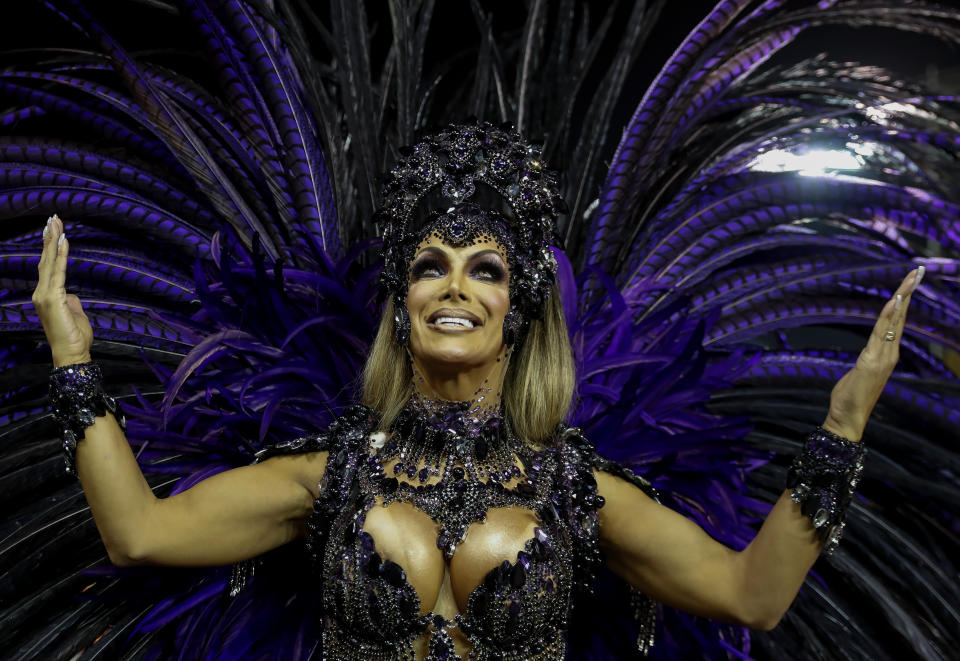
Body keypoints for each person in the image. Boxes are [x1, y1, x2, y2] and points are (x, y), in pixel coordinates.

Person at [34, 122, 924, 660]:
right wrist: (74, 359)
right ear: (402, 302)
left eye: (484, 267)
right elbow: (139, 533)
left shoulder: (574, 488)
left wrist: (843, 424)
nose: (454, 287)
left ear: (520, 306)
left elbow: (750, 595)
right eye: (431, 266)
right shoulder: (333, 477)